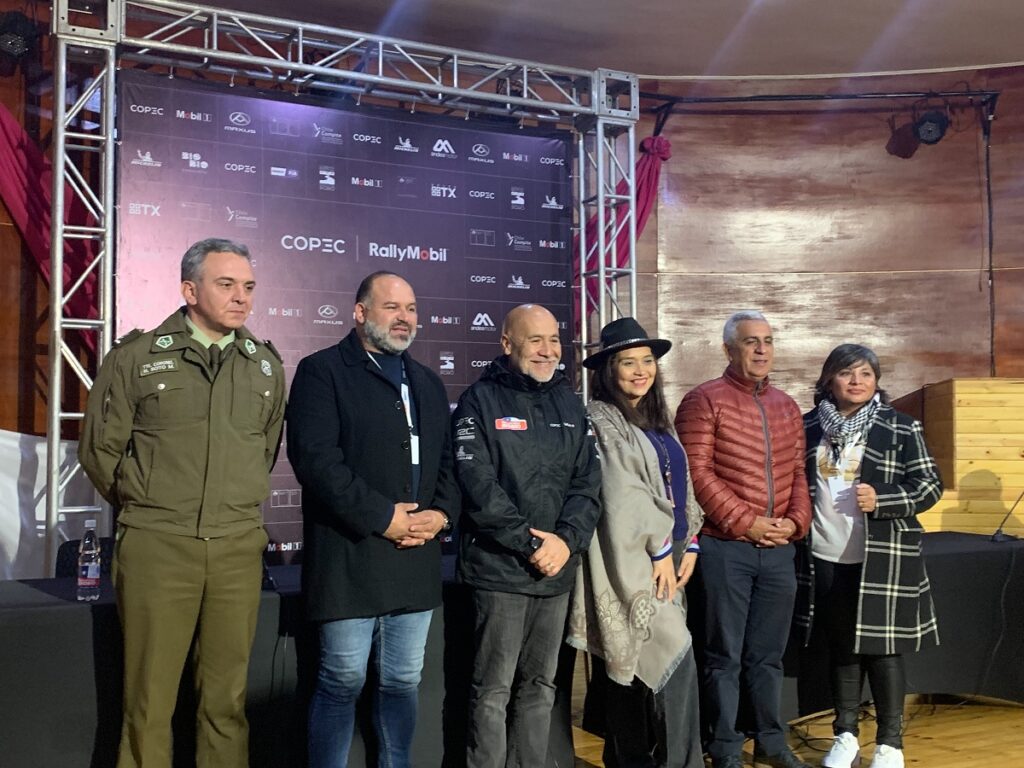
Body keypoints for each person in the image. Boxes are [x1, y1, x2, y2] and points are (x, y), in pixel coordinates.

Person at [79, 238, 286, 768]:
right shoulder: (137, 357)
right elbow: (100, 452)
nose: (241, 297)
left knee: (226, 703)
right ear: (189, 290)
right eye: (226, 284)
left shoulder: (264, 367)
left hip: (237, 550)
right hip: (158, 548)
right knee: (148, 703)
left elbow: (263, 452)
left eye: (248, 287)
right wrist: (152, 505)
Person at [286, 271, 459, 768]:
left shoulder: (426, 381)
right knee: (342, 680)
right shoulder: (322, 371)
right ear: (360, 312)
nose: (405, 317)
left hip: (416, 558)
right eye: (392, 307)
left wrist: (441, 515)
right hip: (350, 555)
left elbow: (449, 462)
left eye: (411, 309)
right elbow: (316, 460)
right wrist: (383, 517)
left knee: (403, 681)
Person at [454, 303, 602, 768]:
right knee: (492, 692)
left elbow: (588, 484)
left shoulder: (570, 402)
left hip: (555, 572)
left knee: (541, 689)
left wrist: (565, 541)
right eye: (535, 340)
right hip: (500, 572)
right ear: (507, 343)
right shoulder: (479, 400)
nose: (547, 350)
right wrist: (532, 543)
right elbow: (478, 488)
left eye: (554, 340)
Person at [674, 310, 811, 768]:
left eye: (768, 341)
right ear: (728, 349)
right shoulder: (702, 400)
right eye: (751, 342)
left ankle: (771, 741)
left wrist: (795, 523)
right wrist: (745, 522)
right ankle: (725, 746)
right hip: (724, 547)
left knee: (768, 658)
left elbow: (796, 473)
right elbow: (696, 473)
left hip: (778, 550)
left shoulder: (788, 405)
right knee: (723, 656)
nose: (761, 350)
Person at [794, 344, 942, 768]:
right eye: (847, 373)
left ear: (877, 381)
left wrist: (885, 499)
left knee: (882, 650)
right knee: (841, 647)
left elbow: (930, 485)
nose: (857, 381)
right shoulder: (806, 428)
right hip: (822, 553)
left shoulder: (901, 427)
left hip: (882, 557)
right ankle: (844, 735)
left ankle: (890, 742)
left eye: (865, 374)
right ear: (828, 381)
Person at [567, 317, 705, 768]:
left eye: (647, 361)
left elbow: (680, 485)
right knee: (665, 660)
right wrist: (661, 549)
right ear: (608, 369)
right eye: (628, 362)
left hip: (671, 559)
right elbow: (620, 492)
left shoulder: (655, 417)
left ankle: (630, 758)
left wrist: (693, 543)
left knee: (643, 675)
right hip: (632, 560)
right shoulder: (601, 419)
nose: (640, 370)